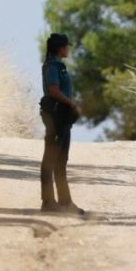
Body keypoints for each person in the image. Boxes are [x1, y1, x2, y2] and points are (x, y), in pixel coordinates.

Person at [39, 33, 85, 216]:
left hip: (62, 117)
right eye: (66, 47)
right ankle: (48, 202)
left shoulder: (58, 65)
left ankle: (66, 202)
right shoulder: (52, 66)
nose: (68, 50)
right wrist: (72, 103)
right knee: (50, 159)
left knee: (61, 160)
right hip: (56, 116)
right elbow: (53, 91)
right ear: (60, 48)